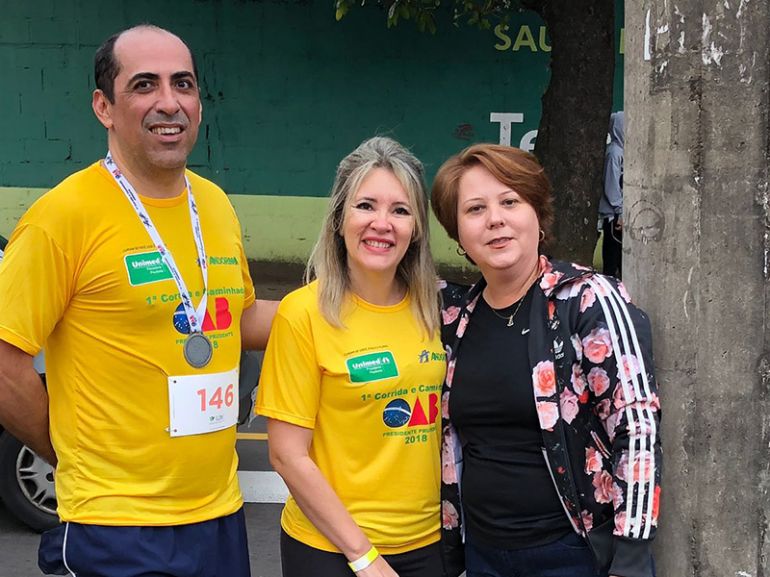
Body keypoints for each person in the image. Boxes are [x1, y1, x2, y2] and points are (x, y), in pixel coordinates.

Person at [0, 25, 277, 577]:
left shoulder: (215, 205)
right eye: (144, 85)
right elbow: (5, 364)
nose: (169, 102)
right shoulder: (63, 217)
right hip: (113, 525)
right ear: (104, 106)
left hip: (218, 515)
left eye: (184, 84)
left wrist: (344, 306)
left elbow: (239, 318)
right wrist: (66, 452)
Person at [431, 143, 661, 577]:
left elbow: (636, 425)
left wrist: (630, 557)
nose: (495, 219)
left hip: (572, 554)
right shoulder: (456, 316)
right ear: (457, 234)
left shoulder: (587, 298)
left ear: (537, 212)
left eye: (510, 201)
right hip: (482, 554)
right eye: (475, 209)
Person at [256, 137, 454, 577]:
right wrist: (364, 557)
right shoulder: (302, 314)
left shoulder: (442, 311)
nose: (382, 223)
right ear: (339, 218)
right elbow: (288, 456)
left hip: (428, 545)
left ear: (417, 228)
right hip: (332, 550)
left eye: (400, 210)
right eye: (366, 206)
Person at [599, 111, 625, 278]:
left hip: (620, 213)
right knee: (612, 260)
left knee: (622, 260)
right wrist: (619, 211)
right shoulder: (614, 153)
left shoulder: (623, 151)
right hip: (613, 217)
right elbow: (611, 185)